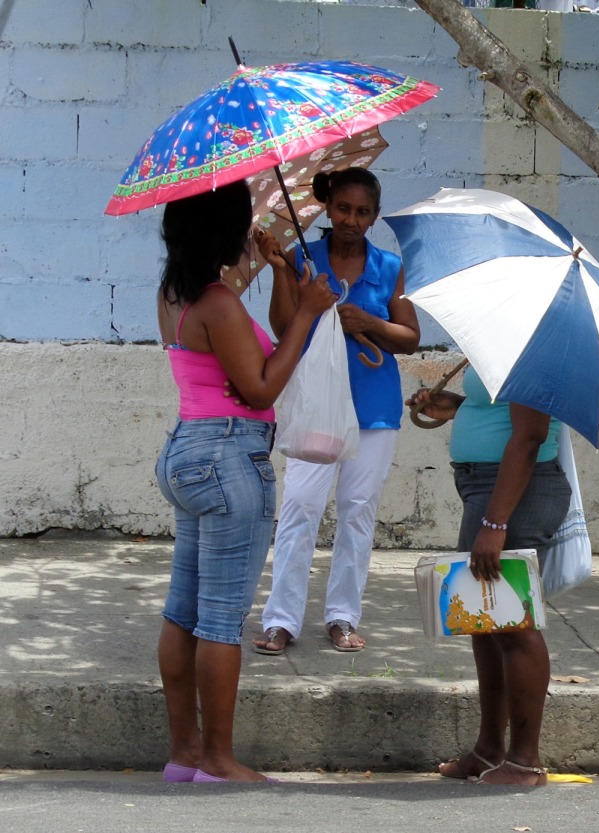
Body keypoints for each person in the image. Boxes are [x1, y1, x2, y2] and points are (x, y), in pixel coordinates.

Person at [154, 179, 335, 783]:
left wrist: (275, 266)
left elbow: (230, 361)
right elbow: (260, 388)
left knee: (182, 612)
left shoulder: (176, 295)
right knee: (220, 619)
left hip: (187, 450)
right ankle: (219, 759)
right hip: (230, 458)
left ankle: (184, 754)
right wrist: (307, 313)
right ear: (220, 234)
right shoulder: (220, 305)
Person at [253, 167, 420, 654]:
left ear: (374, 217)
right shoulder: (306, 259)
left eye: (362, 211)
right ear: (327, 208)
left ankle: (342, 616)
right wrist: (284, 272)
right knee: (300, 508)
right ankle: (281, 619)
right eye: (343, 208)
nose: (351, 219)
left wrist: (369, 321)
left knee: (357, 513)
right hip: (317, 407)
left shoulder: (389, 268)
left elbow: (409, 338)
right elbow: (285, 326)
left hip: (375, 409)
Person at [406, 363, 572, 786]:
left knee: (513, 624)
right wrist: (458, 407)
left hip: (513, 491)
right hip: (485, 487)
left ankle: (526, 761)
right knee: (487, 623)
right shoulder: (507, 340)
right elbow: (505, 412)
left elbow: (531, 435)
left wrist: (496, 524)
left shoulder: (534, 348)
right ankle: (490, 750)